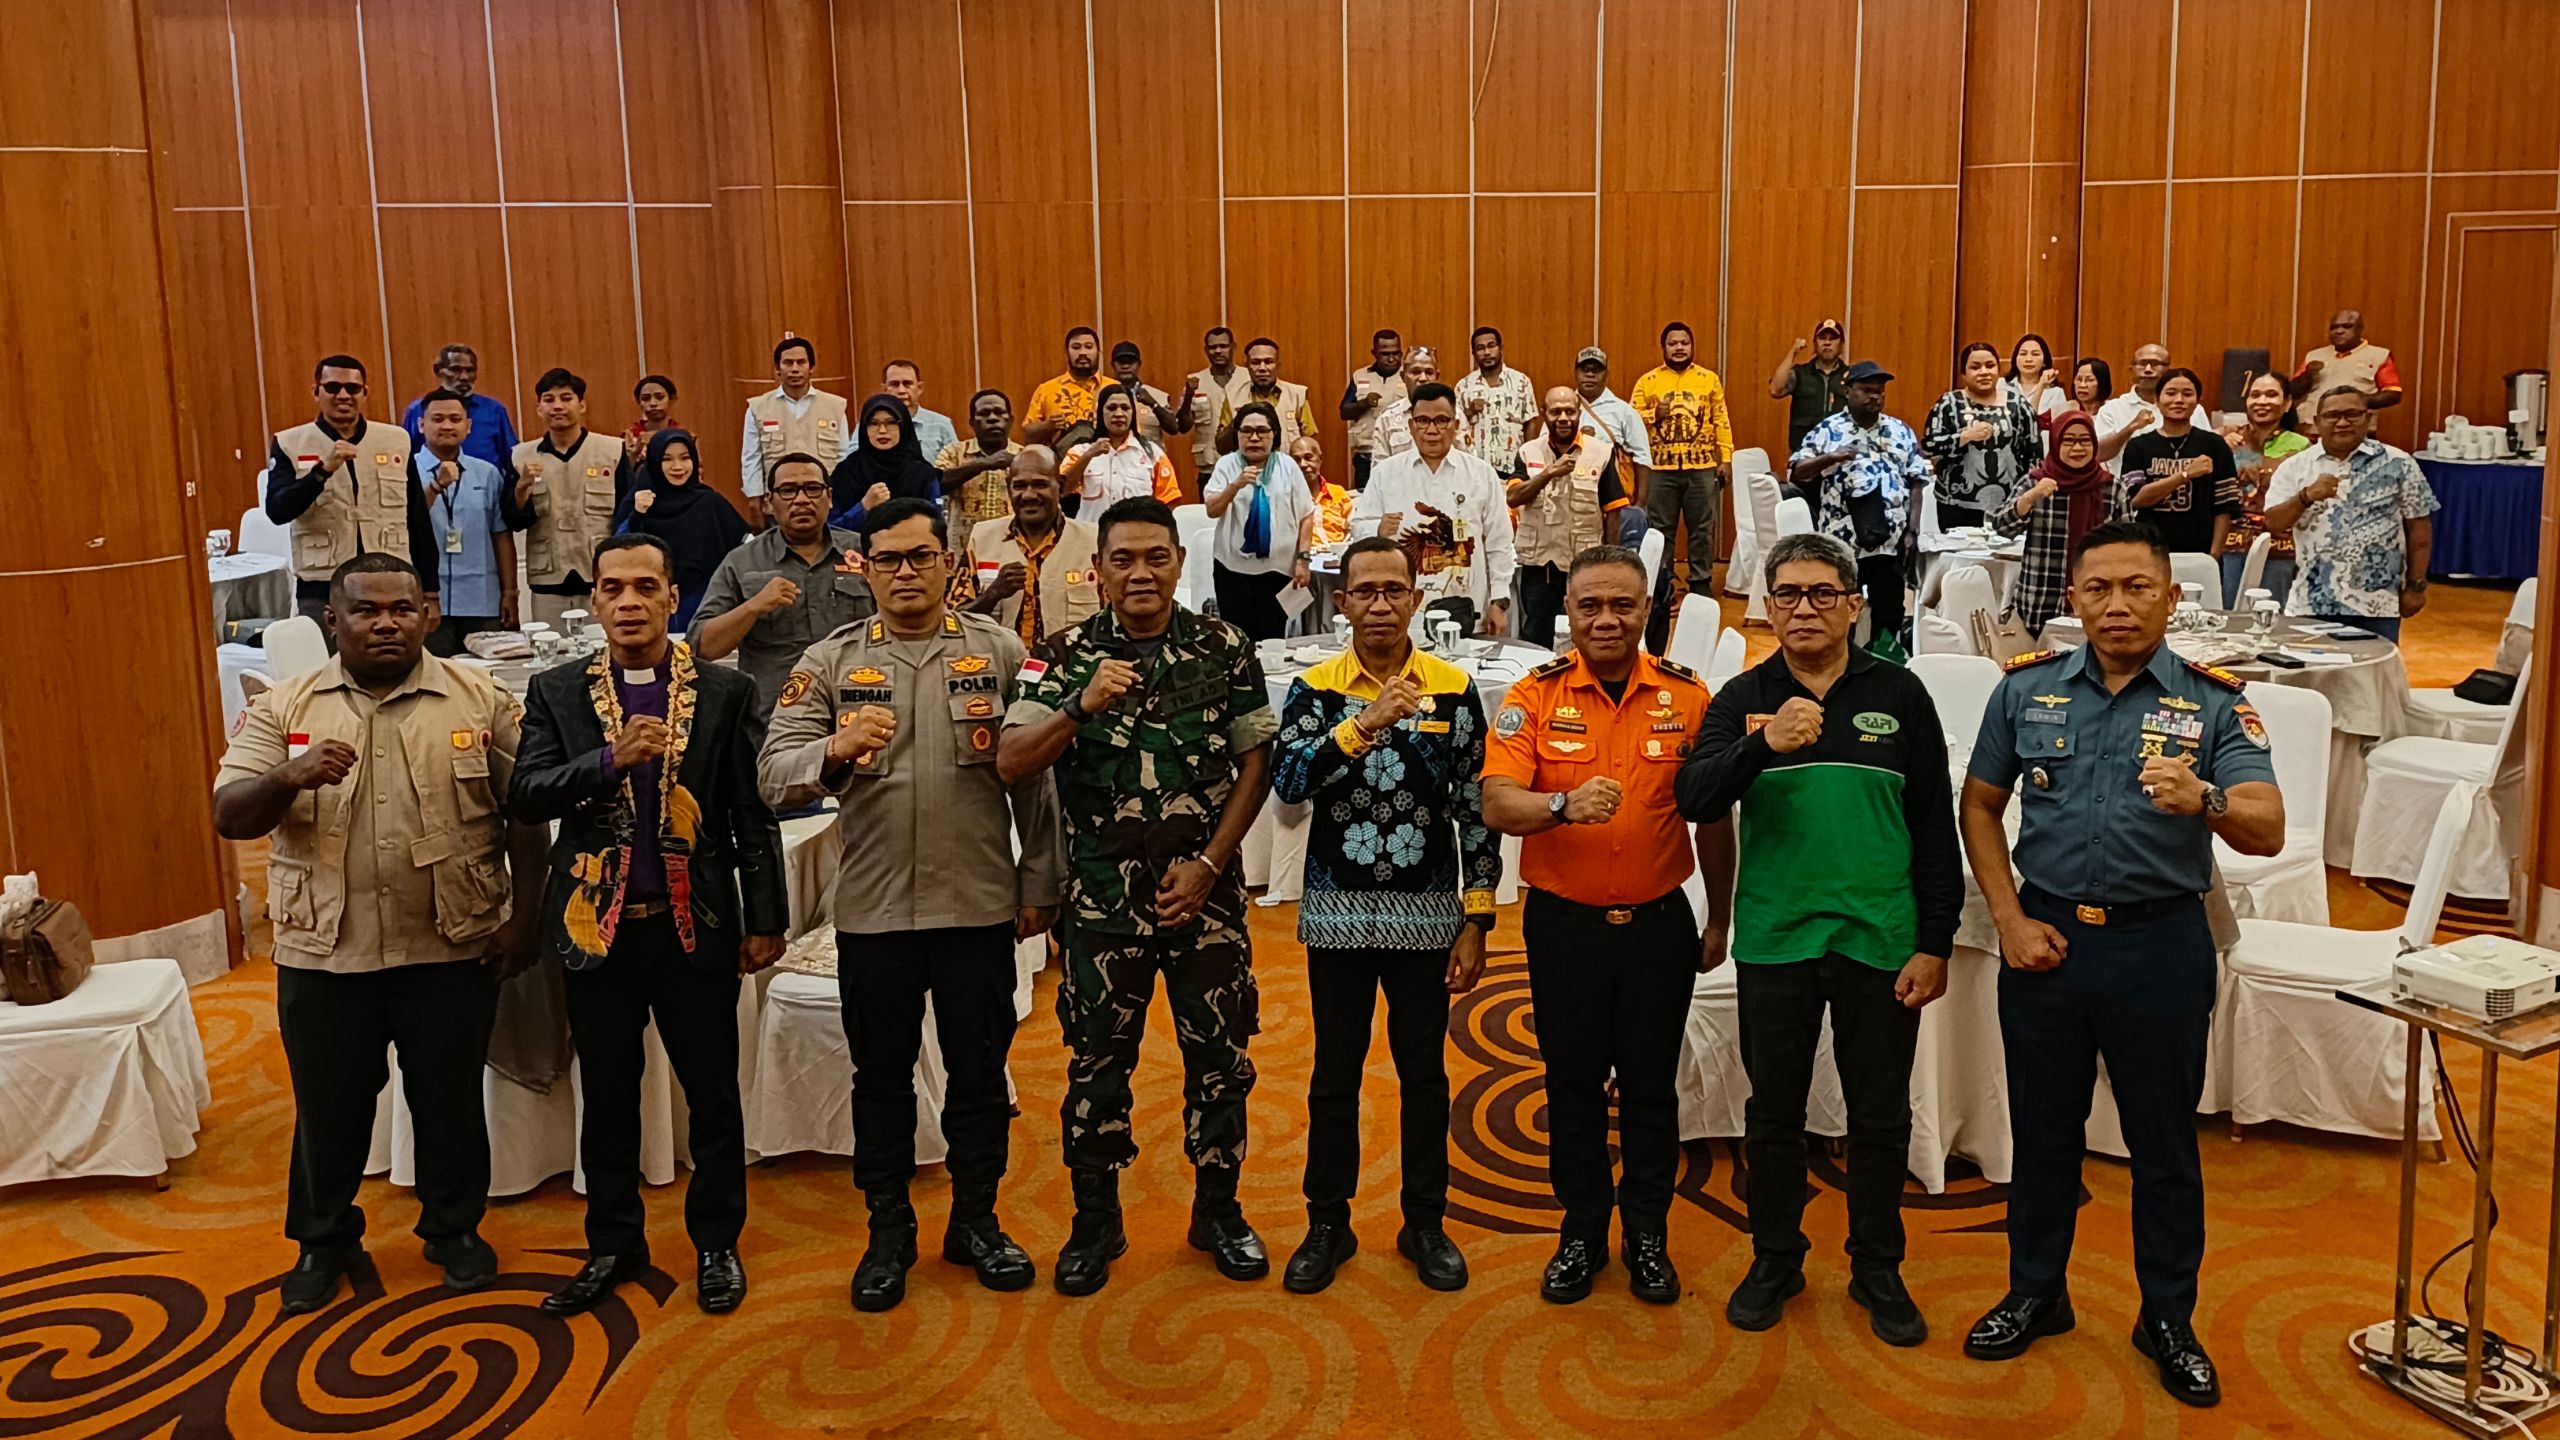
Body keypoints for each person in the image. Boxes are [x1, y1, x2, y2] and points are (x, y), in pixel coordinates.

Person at [1958, 519, 2285, 1407]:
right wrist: (2009, 919)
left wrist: (2206, 797)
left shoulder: (2215, 703)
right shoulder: (2025, 691)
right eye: (2097, 588)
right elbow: (1980, 806)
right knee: (2043, 1134)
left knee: (2163, 1144)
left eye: (2137, 587)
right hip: (2048, 943)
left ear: (2172, 598)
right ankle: (2036, 1292)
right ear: (2073, 599)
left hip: (2160, 949)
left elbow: (2266, 827)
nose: (2116, 606)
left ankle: (2167, 1317)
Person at [213, 554, 545, 1314]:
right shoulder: (284, 706)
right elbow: (229, 815)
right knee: (328, 1110)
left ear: (428, 615)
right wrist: (287, 777)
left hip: (451, 942)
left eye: (403, 609)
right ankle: (323, 1240)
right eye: (366, 610)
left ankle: (453, 1229)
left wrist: (525, 919)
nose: (386, 623)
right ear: (333, 621)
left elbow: (525, 812)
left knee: (449, 1101)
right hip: (326, 952)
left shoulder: (479, 697)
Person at [759, 496, 1063, 1311]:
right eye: (887, 559)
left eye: (920, 557)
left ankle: (976, 1221)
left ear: (949, 564)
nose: (904, 573)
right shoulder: (829, 661)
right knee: (882, 1081)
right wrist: (831, 749)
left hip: (977, 907)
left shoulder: (1000, 652)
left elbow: (1035, 781)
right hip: (876, 913)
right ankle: (888, 1233)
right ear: (864, 568)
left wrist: (1040, 882)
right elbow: (772, 771)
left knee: (979, 1077)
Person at [1678, 531, 1960, 1347]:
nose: (1805, 608)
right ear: (1768, 607)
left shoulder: (1900, 692)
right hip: (1777, 937)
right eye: (1788, 594)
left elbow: (1933, 829)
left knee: (1880, 1116)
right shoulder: (1743, 696)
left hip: (1883, 937)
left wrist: (1935, 941)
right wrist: (1761, 744)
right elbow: (1694, 797)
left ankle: (1878, 1265)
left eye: (1822, 593)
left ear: (1853, 605)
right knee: (1773, 1113)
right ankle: (1776, 1258)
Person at [996, 497, 1279, 1297]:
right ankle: (1096, 1221)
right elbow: (1011, 761)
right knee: (1095, 1067)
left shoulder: (1224, 646)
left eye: (1157, 556)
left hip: (1206, 902)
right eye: (1123, 558)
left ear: (1180, 563)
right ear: (1099, 570)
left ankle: (1218, 1212)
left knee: (1221, 1061)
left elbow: (1256, 762)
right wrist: (1079, 707)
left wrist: (1211, 865)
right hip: (1100, 906)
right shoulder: (1059, 655)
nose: (1141, 573)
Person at [511, 534, 789, 1320]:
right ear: (594, 602)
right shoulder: (557, 691)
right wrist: (608, 761)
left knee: (712, 1093)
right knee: (605, 1096)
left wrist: (766, 916)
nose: (628, 602)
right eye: (612, 588)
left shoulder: (724, 691)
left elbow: (751, 813)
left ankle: (717, 1243)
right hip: (594, 928)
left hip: (693, 922)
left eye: (644, 587)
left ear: (673, 597)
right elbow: (526, 794)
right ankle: (612, 1245)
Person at [1481, 545, 1718, 1304]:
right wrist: (1560, 805)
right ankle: (1582, 1230)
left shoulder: (1689, 697)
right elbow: (1496, 802)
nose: (1606, 620)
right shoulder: (1534, 694)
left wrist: (1721, 915)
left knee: (1652, 1088)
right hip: (1566, 931)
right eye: (1590, 606)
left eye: (1622, 605)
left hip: (1658, 927)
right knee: (1572, 1085)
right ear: (1569, 613)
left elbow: (1714, 816)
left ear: (1647, 610)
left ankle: (1647, 1233)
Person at [1271, 536, 1500, 1295]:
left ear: (1415, 599)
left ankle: (1424, 1222)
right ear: (1342, 602)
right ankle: (1327, 1224)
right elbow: (1289, 784)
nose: (1378, 604)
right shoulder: (1315, 689)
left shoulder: (1452, 690)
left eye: (1393, 590)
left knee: (1424, 1076)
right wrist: (1363, 722)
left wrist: (1478, 916)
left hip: (1427, 914)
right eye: (1364, 591)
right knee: (1334, 1075)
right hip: (1337, 912)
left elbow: (1475, 809)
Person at [265, 354, 441, 631]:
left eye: (352, 388)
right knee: (326, 658)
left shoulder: (395, 440)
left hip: (390, 580)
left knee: (391, 656)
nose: (343, 395)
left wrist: (430, 591)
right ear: (316, 392)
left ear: (365, 392)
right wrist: (321, 472)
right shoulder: (290, 443)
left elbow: (417, 518)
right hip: (322, 585)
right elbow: (277, 510)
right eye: (332, 387)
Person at [687, 453, 873, 711]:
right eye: (788, 491)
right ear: (769, 502)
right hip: (772, 716)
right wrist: (753, 607)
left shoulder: (866, 552)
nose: (801, 499)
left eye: (812, 488)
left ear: (829, 497)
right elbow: (702, 646)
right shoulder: (741, 562)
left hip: (857, 706)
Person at [2262, 386, 2438, 642]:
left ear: (2368, 418)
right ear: (2317, 422)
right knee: (2308, 667)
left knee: (2374, 668)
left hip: (2378, 606)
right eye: (2332, 415)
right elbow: (2273, 523)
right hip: (2310, 603)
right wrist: (2306, 496)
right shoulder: (2295, 467)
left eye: (2352, 414)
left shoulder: (2400, 463)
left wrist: (2416, 586)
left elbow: (2419, 529)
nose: (2342, 422)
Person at [1351, 384, 1517, 637]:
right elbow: (1357, 528)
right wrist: (1378, 529)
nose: (1431, 430)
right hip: (1404, 614)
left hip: (1468, 609)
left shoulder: (1481, 474)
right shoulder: (1386, 473)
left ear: (1455, 425)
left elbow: (1500, 542)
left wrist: (1499, 601)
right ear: (1411, 426)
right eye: (1423, 421)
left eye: (1441, 421)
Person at [1787, 361, 1928, 644]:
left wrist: (1913, 530)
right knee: (1839, 612)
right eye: (1866, 390)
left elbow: (1917, 481)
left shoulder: (1899, 430)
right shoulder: (1828, 430)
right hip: (1844, 543)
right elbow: (1796, 472)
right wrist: (1831, 457)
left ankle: (1882, 664)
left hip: (1890, 542)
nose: (1874, 396)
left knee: (1889, 613)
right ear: (1848, 391)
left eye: (1879, 391)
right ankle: (1842, 664)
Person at [506, 367, 630, 630]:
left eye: (566, 398)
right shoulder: (520, 457)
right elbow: (513, 521)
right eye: (549, 400)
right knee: (550, 651)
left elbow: (627, 516)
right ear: (539, 408)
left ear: (581, 405)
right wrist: (522, 487)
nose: (557, 406)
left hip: (601, 576)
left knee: (605, 648)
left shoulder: (612, 451)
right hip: (548, 581)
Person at [1511, 386, 1629, 649]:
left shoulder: (1601, 452)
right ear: (1544, 414)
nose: (1563, 418)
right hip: (1539, 567)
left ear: (1579, 413)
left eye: (1569, 411)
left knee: (1585, 635)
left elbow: (1613, 511)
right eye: (1555, 412)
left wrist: (1610, 564)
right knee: (1535, 637)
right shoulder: (1528, 451)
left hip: (1583, 566)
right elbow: (1513, 498)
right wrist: (1548, 474)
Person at [1994, 413, 2132, 635]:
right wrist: (2029, 498)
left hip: (2099, 600)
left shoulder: (2112, 488)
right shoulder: (2036, 482)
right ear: (2056, 443)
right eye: (2068, 440)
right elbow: (2002, 527)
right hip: (2040, 601)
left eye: (2085, 440)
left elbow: (2129, 547)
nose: (2077, 448)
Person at [958, 447, 1102, 644]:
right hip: (998, 661)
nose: (1028, 495)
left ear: (1060, 485)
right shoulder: (981, 539)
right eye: (1019, 486)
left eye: (1040, 485)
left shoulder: (1094, 542)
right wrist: (992, 594)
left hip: (1074, 663)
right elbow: (953, 621)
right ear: (1008, 487)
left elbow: (1116, 617)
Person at [1633, 321, 1736, 597]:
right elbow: (1630, 420)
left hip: (1702, 468)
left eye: (1684, 343)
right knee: (1660, 529)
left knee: (1702, 528)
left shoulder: (1708, 379)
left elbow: (1721, 420)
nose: (1679, 348)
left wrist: (1726, 459)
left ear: (1692, 346)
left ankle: (1700, 583)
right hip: (1660, 468)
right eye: (1673, 343)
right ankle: (1662, 583)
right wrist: (1654, 414)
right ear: (1663, 348)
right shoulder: (1648, 382)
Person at [412, 389, 517, 654]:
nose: (447, 426)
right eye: (438, 419)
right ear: (421, 425)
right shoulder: (406, 471)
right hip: (426, 599)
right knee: (434, 673)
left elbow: (501, 536)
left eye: (455, 419)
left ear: (468, 426)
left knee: (485, 673)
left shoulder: (487, 473)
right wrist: (436, 486)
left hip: (481, 599)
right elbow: (405, 521)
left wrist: (509, 593)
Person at [1201, 402, 1316, 640]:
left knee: (1273, 638)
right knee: (1237, 639)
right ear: (1237, 434)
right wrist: (1235, 485)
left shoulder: (1287, 466)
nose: (1254, 438)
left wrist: (1303, 560)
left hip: (1279, 570)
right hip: (1232, 571)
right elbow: (1212, 509)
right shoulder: (1226, 464)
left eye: (1262, 431)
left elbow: (1306, 514)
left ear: (1274, 434)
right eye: (1247, 431)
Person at [613, 429, 747, 632]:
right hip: (651, 603)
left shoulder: (710, 502)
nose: (677, 466)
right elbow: (618, 552)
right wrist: (638, 514)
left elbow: (744, 548)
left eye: (685, 458)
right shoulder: (640, 500)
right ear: (654, 462)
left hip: (705, 604)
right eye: (666, 459)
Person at [2119, 368, 2240, 558]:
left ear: (2197, 401)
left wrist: (2214, 554)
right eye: (2170, 393)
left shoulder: (2215, 445)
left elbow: (2224, 506)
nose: (2179, 400)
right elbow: (2137, 499)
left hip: (2200, 553)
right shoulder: (2138, 446)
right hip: (2149, 552)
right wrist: (2185, 475)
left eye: (2187, 394)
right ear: (2157, 400)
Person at [1921, 341, 2042, 529]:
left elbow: (2035, 454)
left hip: (2009, 505)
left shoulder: (2018, 405)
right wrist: (1963, 437)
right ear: (1963, 373)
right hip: (1956, 505)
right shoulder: (1948, 404)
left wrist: (2028, 495)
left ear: (1998, 370)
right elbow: (1929, 446)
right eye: (1975, 367)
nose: (1984, 372)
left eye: (1990, 366)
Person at [2217, 371, 2310, 604]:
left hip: (2280, 545)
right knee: (2230, 613)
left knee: (2270, 612)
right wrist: (2218, 442)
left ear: (2287, 403)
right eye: (2255, 395)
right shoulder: (2227, 440)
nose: (2262, 401)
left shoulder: (2301, 446)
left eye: (2271, 395)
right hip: (2232, 543)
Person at [741, 335, 851, 503]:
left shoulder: (835, 406)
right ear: (777, 368)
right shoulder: (758, 408)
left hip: (823, 500)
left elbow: (843, 456)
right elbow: (751, 458)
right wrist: (754, 498)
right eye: (788, 363)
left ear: (811, 367)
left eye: (801, 362)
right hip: (779, 500)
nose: (794, 369)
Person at [1572, 346, 1655, 544]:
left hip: (1616, 501)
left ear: (1606, 375)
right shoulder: (1563, 408)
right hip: (1573, 501)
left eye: (1596, 370)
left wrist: (1640, 504)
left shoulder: (1623, 411)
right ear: (1575, 372)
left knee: (1617, 555)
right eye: (1585, 369)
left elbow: (1642, 457)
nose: (1590, 375)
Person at [1058, 383, 1181, 516]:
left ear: (1133, 413)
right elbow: (1062, 490)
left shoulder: (1153, 454)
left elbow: (1168, 500)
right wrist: (1089, 455)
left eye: (1125, 408)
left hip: (1136, 528)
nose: (1118, 414)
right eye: (1111, 408)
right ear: (1100, 412)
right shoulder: (1080, 451)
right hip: (1091, 528)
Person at [829, 394, 943, 529]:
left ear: (904, 426)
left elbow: (936, 527)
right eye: (873, 423)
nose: (882, 431)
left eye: (891, 423)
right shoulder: (845, 472)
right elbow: (832, 529)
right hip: (855, 543)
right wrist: (863, 508)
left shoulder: (922, 474)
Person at [400, 343, 518, 470]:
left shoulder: (493, 410)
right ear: (438, 371)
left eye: (470, 370)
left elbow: (512, 459)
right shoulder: (418, 410)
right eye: (455, 370)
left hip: (485, 481)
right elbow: (406, 458)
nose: (464, 377)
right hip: (431, 480)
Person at [2290, 307, 2402, 429]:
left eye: (2347, 326)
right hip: (2312, 429)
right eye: (2334, 327)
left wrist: (2357, 401)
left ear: (2360, 329)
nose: (2339, 331)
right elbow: (2292, 391)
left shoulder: (2378, 356)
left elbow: (2393, 394)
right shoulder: (2314, 356)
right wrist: (2307, 377)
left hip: (2355, 430)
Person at [934, 389, 1023, 530]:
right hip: (965, 542)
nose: (992, 418)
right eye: (984, 413)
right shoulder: (953, 453)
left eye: (999, 412)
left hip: (1011, 539)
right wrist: (983, 464)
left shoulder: (1024, 456)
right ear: (972, 422)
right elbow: (936, 485)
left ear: (1010, 420)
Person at [1177, 326, 1256, 482]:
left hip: (1246, 463)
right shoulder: (1195, 381)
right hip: (1209, 467)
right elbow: (1183, 427)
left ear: (1233, 347)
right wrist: (1188, 398)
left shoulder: (1250, 378)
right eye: (1213, 347)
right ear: (1206, 350)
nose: (1218, 351)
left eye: (1223, 346)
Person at [1456, 326, 1537, 477]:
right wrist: (1469, 412)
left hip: (1513, 469)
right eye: (1480, 348)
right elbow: (1455, 428)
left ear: (1501, 348)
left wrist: (1528, 462)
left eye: (1491, 346)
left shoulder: (1521, 382)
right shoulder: (1463, 386)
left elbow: (1530, 423)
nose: (1487, 352)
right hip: (1475, 470)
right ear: (1473, 353)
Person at [1216, 336, 1319, 454]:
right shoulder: (1233, 397)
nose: (1262, 368)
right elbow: (1221, 447)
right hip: (1246, 464)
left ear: (1278, 365)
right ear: (1247, 366)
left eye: (1268, 362)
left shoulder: (1296, 395)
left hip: (1286, 464)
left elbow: (1310, 443)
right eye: (1255, 362)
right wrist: (1238, 420)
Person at [1767, 319, 1849, 453]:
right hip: (1803, 452)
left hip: (1839, 452)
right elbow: (1775, 390)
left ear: (1841, 345)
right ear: (1815, 344)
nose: (1827, 343)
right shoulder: (1800, 373)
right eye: (1822, 338)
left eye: (1833, 339)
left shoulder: (1850, 376)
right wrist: (1793, 352)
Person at [1339, 328, 1408, 489]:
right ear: (1374, 353)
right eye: (1385, 354)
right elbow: (1344, 411)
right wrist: (1364, 403)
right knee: (1365, 498)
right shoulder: (1360, 376)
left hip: (1400, 453)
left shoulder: (1409, 375)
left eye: (1396, 353)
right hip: (1366, 454)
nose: (1391, 358)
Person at [1024, 326, 1107, 448]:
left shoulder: (1114, 387)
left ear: (1098, 352)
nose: (1082, 352)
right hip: (1058, 457)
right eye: (1076, 347)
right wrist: (1046, 426)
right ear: (1066, 354)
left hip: (1106, 456)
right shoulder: (1046, 389)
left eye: (1089, 347)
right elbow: (1027, 437)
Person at [2093, 344, 2169, 468]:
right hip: (2123, 480)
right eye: (2142, 363)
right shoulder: (2111, 409)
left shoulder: (2188, 409)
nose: (2148, 369)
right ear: (2131, 370)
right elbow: (2099, 454)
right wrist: (2131, 428)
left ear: (2169, 370)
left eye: (2155, 363)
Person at [1366, 346, 1443, 464]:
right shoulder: (1387, 419)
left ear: (1437, 377)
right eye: (1416, 372)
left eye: (1429, 372)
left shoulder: (1454, 416)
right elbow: (1380, 470)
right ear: (1403, 376)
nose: (1423, 378)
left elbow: (1466, 465)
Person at [1107, 341, 1185, 452]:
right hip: (1115, 457)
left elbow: (1173, 429)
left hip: (1150, 457)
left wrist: (1153, 403)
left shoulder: (1158, 396)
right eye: (1121, 362)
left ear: (1139, 364)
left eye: (1131, 362)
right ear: (1112, 365)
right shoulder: (1103, 395)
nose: (1125, 366)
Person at [882, 358, 958, 462]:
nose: (901, 390)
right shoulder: (872, 425)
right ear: (884, 389)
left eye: (907, 384)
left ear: (920, 388)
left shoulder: (942, 424)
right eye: (894, 384)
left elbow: (956, 463)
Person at [1294, 435, 1354, 546]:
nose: (1302, 464)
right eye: (1296, 460)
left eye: (1308, 457)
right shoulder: (1288, 497)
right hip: (1305, 554)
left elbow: (1353, 529)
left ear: (1320, 459)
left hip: (1339, 552)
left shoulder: (1338, 493)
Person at [2006, 334, 2067, 427]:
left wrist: (2041, 386)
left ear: (2044, 361)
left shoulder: (2055, 393)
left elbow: (2060, 428)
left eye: (2035, 354)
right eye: (2023, 354)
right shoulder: (2003, 388)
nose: (2028, 359)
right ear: (2015, 359)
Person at [2049, 357, 2114, 443]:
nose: (2082, 385)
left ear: (2102, 383)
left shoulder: (2113, 409)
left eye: (2089, 380)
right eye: (2079, 379)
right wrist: (2041, 385)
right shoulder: (2063, 410)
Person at [623, 374, 680, 465]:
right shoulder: (629, 436)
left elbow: (697, 469)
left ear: (672, 399)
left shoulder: (685, 436)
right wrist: (634, 454)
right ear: (638, 402)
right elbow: (620, 470)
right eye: (645, 399)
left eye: (660, 397)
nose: (653, 403)